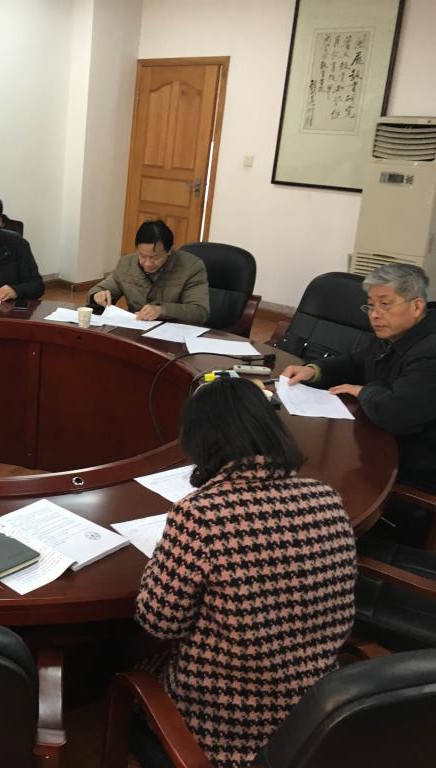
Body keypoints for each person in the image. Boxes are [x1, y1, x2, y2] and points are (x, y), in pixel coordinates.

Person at [135, 376, 357, 768]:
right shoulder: (326, 498)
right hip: (314, 719)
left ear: (200, 441)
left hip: (222, 726)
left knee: (134, 672)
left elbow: (158, 623)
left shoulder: (201, 514)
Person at [281, 263, 436, 493]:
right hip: (377, 437)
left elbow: (398, 413)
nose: (375, 314)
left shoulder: (430, 351)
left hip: (414, 465)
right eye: (371, 306)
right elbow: (357, 362)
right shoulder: (394, 333)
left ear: (416, 306)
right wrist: (314, 370)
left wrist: (363, 391)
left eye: (385, 304)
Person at [88, 220, 209, 323]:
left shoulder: (191, 267)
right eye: (142, 256)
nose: (147, 263)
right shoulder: (126, 264)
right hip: (137, 330)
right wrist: (98, 295)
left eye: (155, 258)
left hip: (175, 333)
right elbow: (100, 289)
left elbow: (200, 312)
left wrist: (162, 310)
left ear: (169, 251)